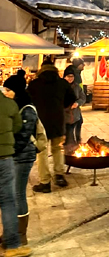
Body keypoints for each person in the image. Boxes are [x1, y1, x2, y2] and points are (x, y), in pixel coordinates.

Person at [28, 60, 76, 193]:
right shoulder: (62, 83)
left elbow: (28, 101)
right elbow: (72, 98)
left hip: (40, 123)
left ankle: (45, 182)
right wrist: (61, 105)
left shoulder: (34, 84)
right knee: (58, 149)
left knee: (42, 153)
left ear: (41, 69)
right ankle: (59, 176)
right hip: (57, 121)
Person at [3, 70, 36, 248]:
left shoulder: (27, 109)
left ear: (16, 90)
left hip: (23, 157)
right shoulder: (12, 106)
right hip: (12, 155)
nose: (5, 93)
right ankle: (10, 232)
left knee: (17, 194)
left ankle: (20, 236)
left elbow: (23, 137)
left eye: (8, 90)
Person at [63, 65, 86, 148]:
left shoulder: (76, 86)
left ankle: (78, 143)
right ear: (65, 76)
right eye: (68, 77)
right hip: (66, 115)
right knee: (69, 134)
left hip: (76, 114)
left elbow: (83, 97)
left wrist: (77, 103)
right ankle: (70, 148)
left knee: (78, 128)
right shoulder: (61, 87)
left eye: (72, 77)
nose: (70, 78)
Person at [72, 58, 85, 144]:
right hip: (74, 103)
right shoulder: (75, 75)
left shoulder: (77, 73)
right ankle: (76, 139)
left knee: (79, 121)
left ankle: (76, 138)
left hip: (77, 102)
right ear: (78, 65)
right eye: (82, 64)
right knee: (77, 121)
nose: (84, 65)